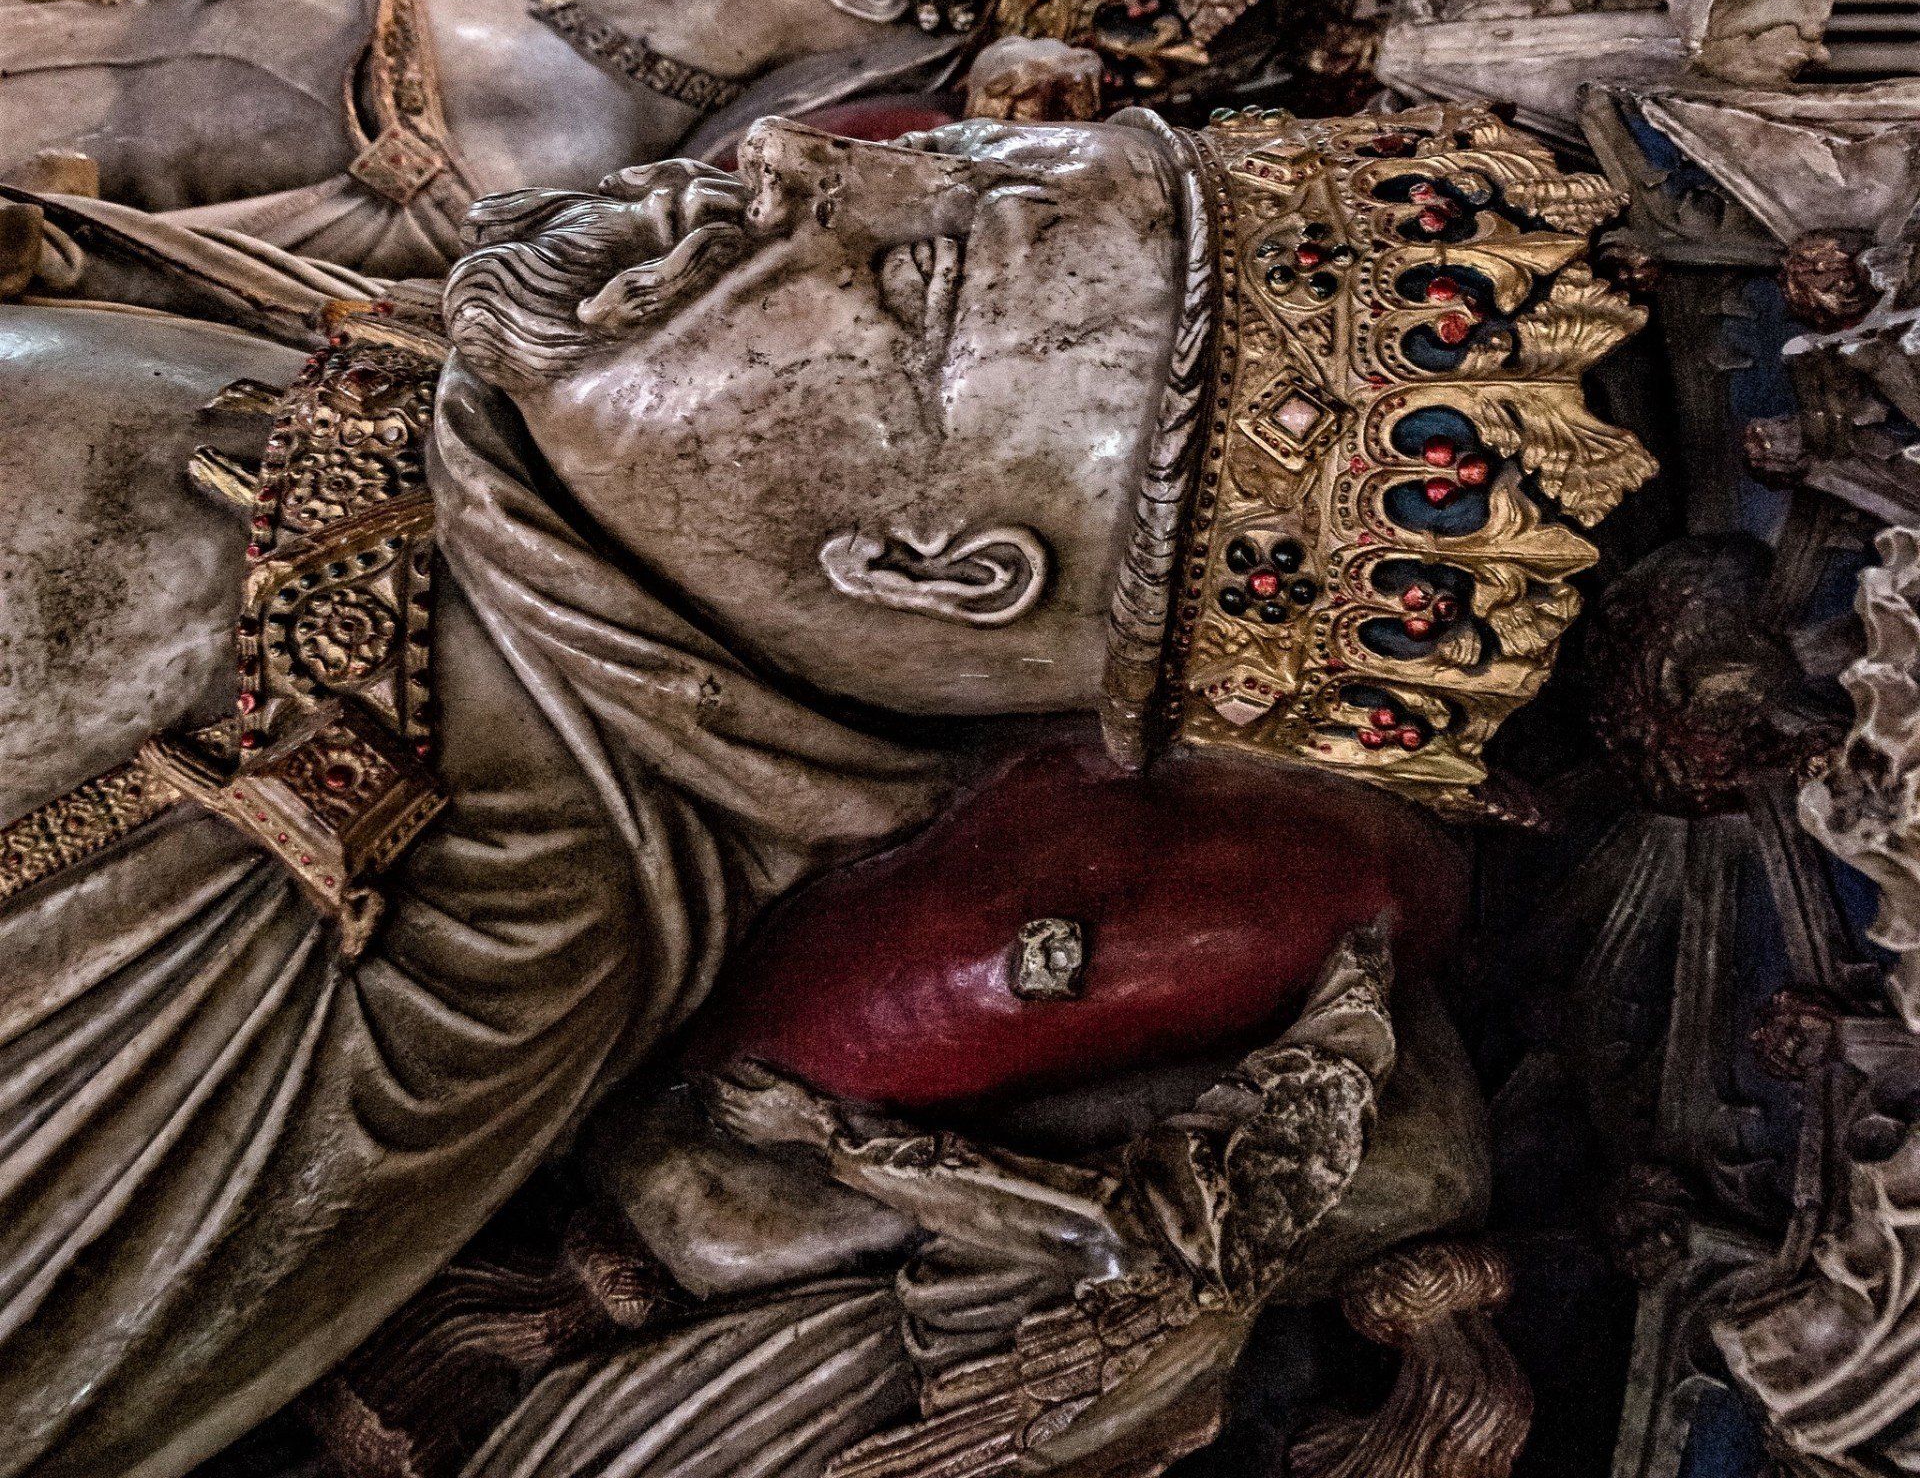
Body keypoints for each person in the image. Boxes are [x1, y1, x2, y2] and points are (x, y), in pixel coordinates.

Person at [0, 102, 1647, 1477]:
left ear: (930, 570)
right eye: (942, 157)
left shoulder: (438, 885)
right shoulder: (476, 444)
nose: (802, 160)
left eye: (916, 272)